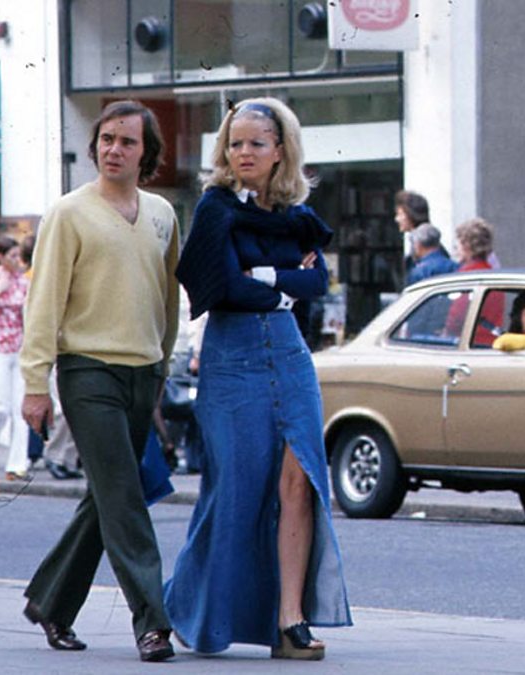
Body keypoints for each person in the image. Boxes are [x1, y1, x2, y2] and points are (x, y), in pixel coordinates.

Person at [165, 97, 351, 658]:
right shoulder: (216, 207)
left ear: (280, 150)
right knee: (235, 488)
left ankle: (290, 620)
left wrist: (265, 277)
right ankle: (193, 606)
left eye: (256, 143)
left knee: (301, 481)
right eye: (235, 143)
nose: (243, 152)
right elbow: (221, 287)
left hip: (290, 356)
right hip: (233, 358)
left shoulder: (298, 215)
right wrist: (286, 282)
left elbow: (317, 284)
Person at [19, 100, 180, 662]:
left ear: (146, 153)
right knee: (125, 497)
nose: (114, 149)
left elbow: (166, 298)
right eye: (107, 139)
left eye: (127, 142)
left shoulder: (162, 214)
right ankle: (152, 622)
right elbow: (44, 302)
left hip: (142, 373)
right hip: (87, 371)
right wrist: (35, 383)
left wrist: (162, 367)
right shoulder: (68, 213)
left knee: (107, 496)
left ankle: (50, 602)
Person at [0, 236, 30, 481]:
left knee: (19, 409)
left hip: (19, 349)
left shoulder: (24, 282)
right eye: (12, 256)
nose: (17, 260)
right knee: (1, 407)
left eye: (18, 255)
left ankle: (17, 464)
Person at [445, 218, 504, 346]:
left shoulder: (466, 277)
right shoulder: (494, 275)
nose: (456, 250)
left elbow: (456, 318)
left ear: (466, 245)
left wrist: (445, 332)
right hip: (490, 342)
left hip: (468, 342)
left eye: (458, 244)